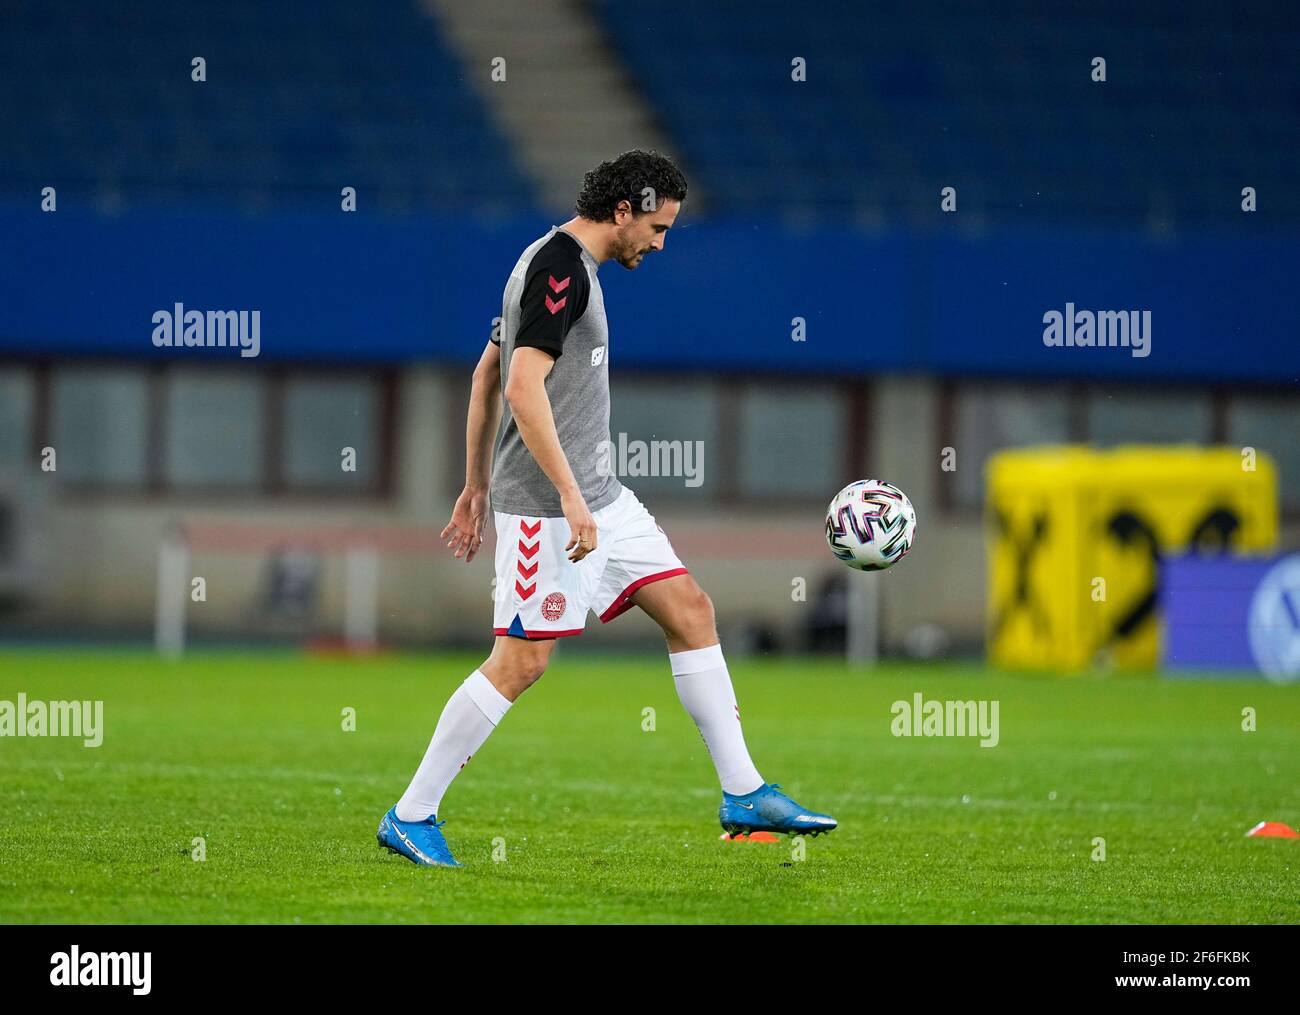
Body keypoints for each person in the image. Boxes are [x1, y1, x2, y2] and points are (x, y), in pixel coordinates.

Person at [377, 150, 836, 867]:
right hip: (551, 509)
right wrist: (550, 492)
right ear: (623, 210)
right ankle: (410, 813)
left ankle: (743, 792)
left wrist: (473, 487)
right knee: (522, 661)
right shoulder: (558, 268)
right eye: (656, 227)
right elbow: (521, 388)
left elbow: (484, 376)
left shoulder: (552, 263)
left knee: (691, 609)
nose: (659, 243)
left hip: (602, 500)